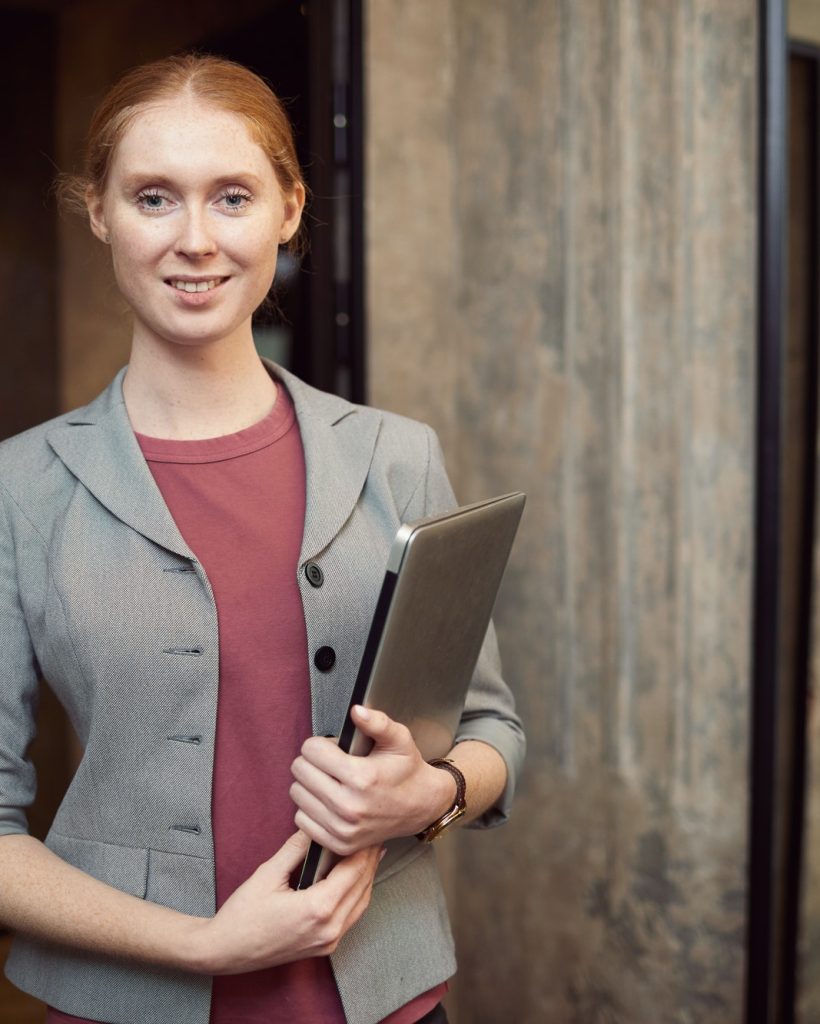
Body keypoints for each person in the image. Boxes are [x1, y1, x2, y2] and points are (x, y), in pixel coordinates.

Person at [0, 54, 525, 1024]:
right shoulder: (17, 489)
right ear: (98, 211)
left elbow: (493, 730)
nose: (195, 239)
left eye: (231, 196)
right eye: (154, 196)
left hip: (387, 999)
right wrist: (201, 943)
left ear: (288, 210)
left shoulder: (396, 455)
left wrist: (427, 795)